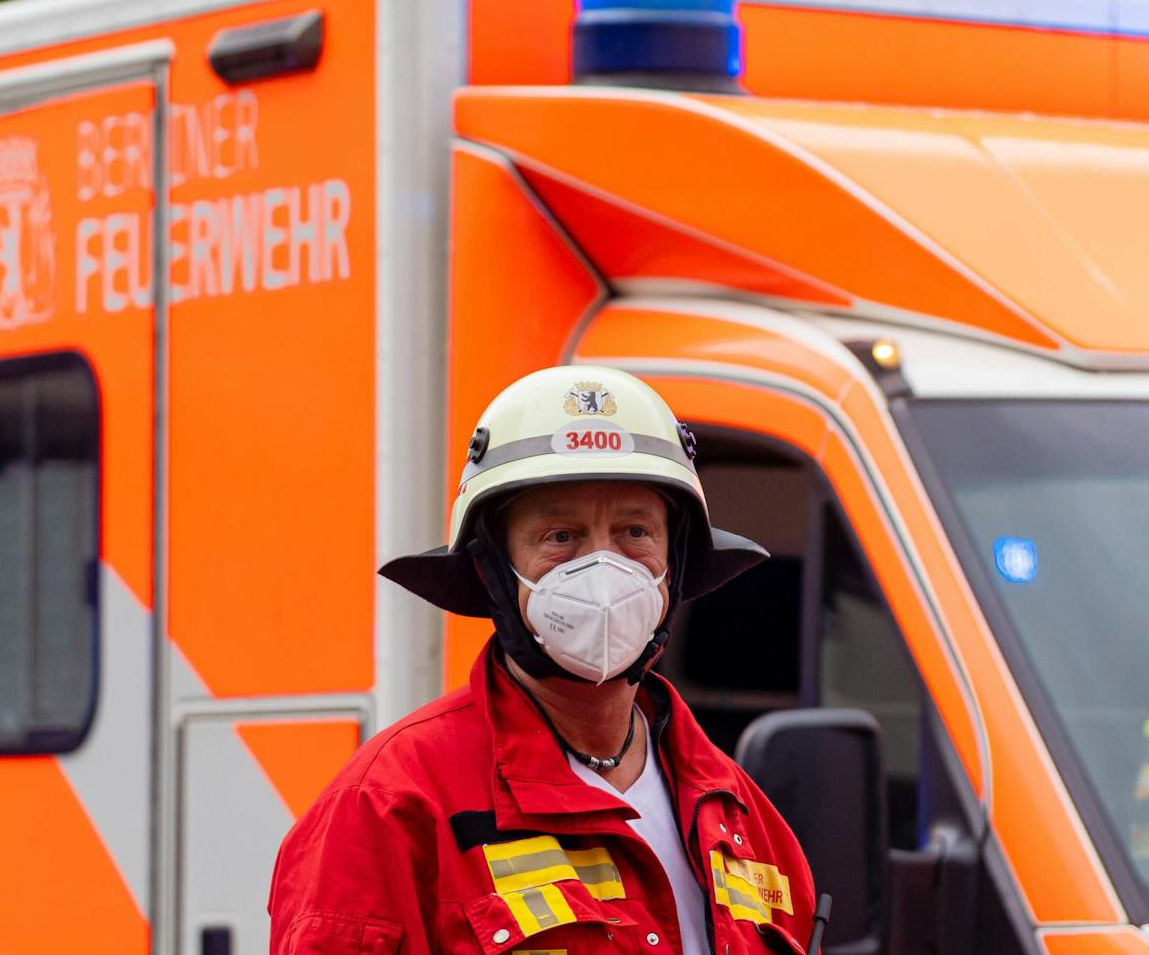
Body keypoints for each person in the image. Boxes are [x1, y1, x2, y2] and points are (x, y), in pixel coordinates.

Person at [269, 366, 816, 955]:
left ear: (672, 567)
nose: (604, 570)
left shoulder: (737, 813)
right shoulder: (391, 804)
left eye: (635, 531)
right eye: (561, 536)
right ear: (492, 572)